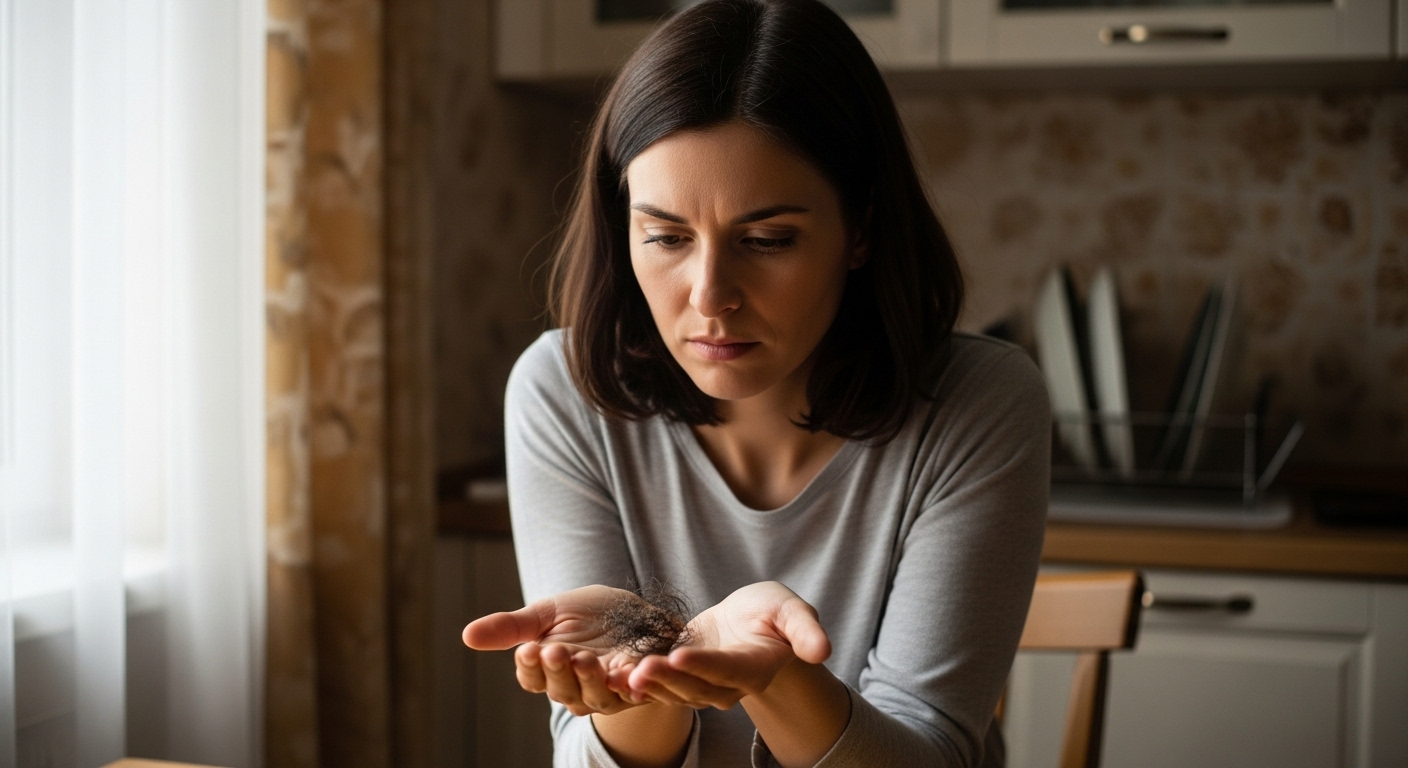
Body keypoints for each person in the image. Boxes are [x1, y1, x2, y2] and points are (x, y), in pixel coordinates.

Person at [463, 1, 1050, 766]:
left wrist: (777, 680)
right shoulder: (561, 389)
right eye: (666, 236)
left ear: (861, 229)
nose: (709, 295)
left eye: (767, 239)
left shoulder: (980, 402)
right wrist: (640, 679)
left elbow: (932, 752)